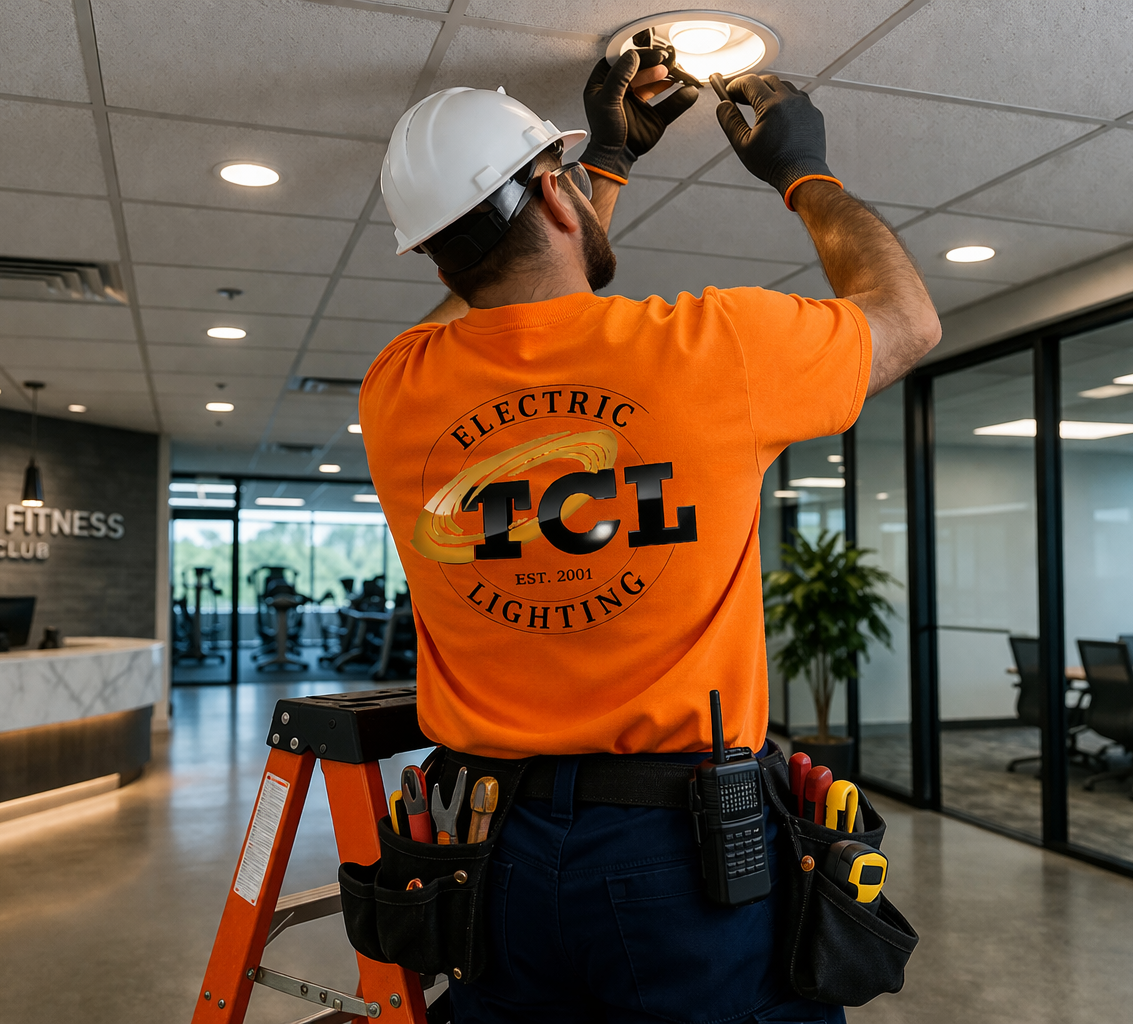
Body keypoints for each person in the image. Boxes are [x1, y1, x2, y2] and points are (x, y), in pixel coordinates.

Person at [360, 49, 939, 1024]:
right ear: (552, 195)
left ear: (427, 251)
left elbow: (493, 296)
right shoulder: (715, 351)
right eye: (566, 186)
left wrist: (603, 174)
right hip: (681, 855)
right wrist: (808, 173)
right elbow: (905, 319)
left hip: (485, 856)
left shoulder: (396, 395)